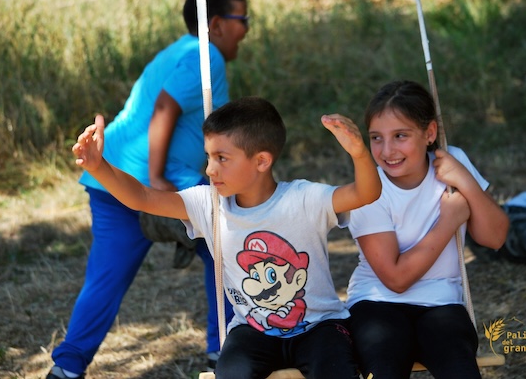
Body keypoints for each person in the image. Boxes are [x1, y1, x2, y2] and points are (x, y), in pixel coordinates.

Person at [71, 96, 382, 379]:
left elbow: (366, 193)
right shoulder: (208, 204)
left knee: (336, 371)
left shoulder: (303, 199)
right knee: (231, 372)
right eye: (208, 156)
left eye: (222, 158)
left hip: (320, 327)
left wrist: (359, 153)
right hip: (253, 331)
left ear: (261, 161)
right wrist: (99, 167)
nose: (210, 169)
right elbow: (142, 197)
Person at [47, 0, 249, 379]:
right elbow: (164, 108)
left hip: (110, 174)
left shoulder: (178, 50)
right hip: (148, 178)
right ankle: (223, 352)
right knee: (227, 248)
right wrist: (156, 177)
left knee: (105, 279)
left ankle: (67, 368)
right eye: (243, 20)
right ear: (216, 24)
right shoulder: (206, 54)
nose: (247, 29)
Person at [345, 80, 509, 379]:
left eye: (400, 135)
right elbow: (396, 280)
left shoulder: (452, 161)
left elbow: (495, 238)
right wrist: (449, 221)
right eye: (376, 138)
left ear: (430, 133)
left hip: (441, 303)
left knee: (459, 365)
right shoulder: (369, 189)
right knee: (383, 363)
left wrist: (466, 182)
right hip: (376, 303)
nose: (387, 150)